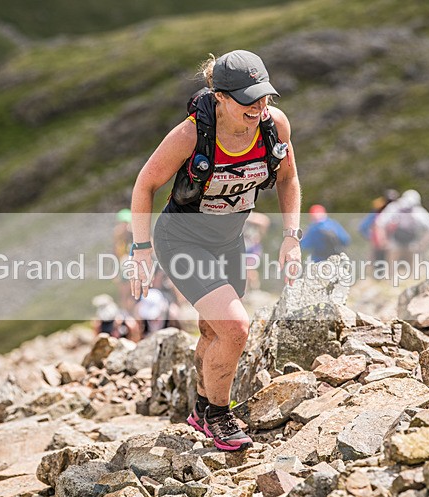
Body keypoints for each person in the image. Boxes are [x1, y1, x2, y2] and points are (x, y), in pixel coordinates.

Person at [129, 50, 301, 451]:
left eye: (264, 96)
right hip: (182, 240)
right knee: (235, 328)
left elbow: (289, 179)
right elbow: (144, 185)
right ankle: (220, 416)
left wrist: (291, 237)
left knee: (213, 329)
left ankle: (202, 410)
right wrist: (140, 250)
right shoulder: (191, 135)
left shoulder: (274, 126)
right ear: (219, 96)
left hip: (230, 242)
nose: (259, 107)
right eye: (248, 99)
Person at [374, 189, 429, 263]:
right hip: (406, 241)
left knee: (393, 265)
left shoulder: (395, 207)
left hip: (401, 241)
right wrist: (423, 244)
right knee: (412, 266)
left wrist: (383, 240)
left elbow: (379, 223)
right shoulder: (417, 210)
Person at [358, 189, 399, 262]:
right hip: (378, 244)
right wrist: (371, 237)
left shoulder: (399, 212)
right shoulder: (377, 211)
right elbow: (363, 227)